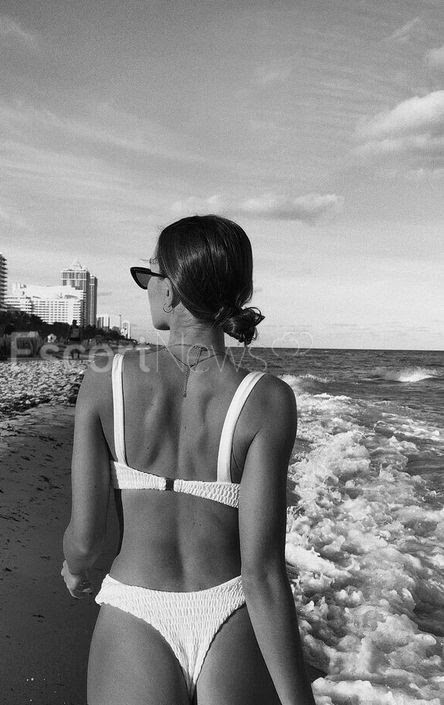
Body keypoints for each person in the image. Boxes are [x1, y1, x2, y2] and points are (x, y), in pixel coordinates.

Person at [62, 215, 317, 705]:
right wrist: (298, 699)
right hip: (231, 613)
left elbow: (86, 537)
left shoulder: (105, 378)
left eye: (149, 274)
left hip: (135, 608)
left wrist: (74, 566)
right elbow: (263, 572)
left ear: (171, 289)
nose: (147, 286)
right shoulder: (267, 400)